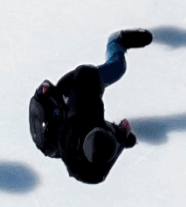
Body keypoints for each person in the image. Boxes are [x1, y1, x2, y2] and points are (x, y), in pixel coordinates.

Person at [36, 29, 153, 184]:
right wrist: (123, 138)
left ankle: (116, 42)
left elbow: (85, 73)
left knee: (116, 69)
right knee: (116, 68)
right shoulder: (93, 174)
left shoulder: (83, 107)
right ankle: (116, 41)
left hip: (70, 93)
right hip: (68, 116)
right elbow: (108, 157)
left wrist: (123, 137)